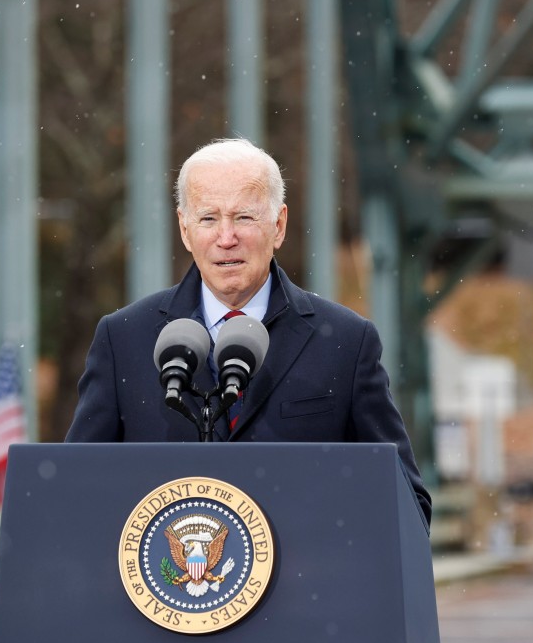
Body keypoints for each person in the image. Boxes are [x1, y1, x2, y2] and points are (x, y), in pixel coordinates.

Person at [65, 138, 431, 525]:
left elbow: (406, 503)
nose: (226, 237)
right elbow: (74, 493)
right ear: (185, 229)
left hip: (306, 583)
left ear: (279, 225)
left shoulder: (346, 342)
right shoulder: (123, 339)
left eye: (243, 217)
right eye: (208, 218)